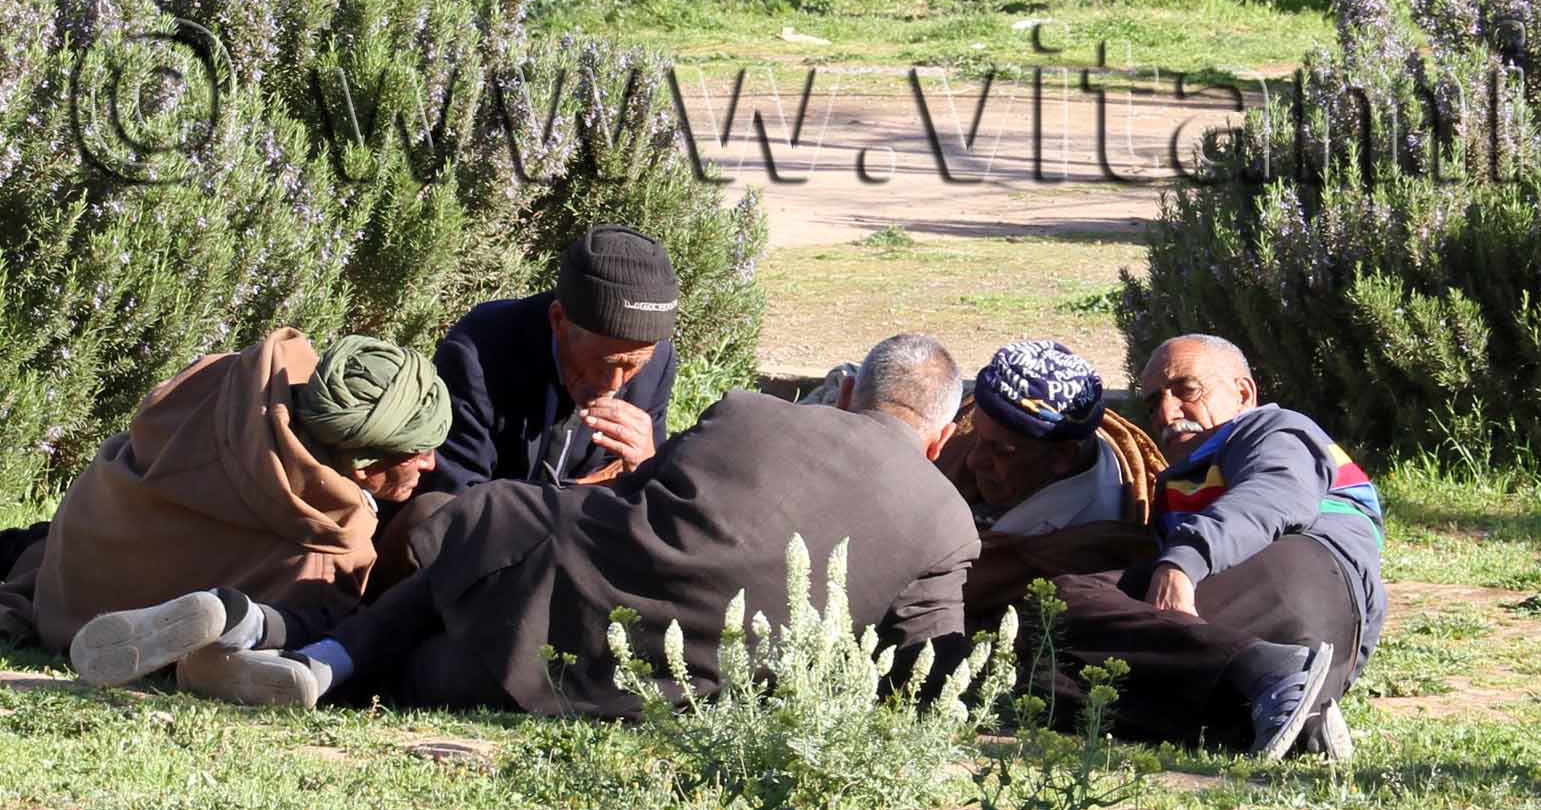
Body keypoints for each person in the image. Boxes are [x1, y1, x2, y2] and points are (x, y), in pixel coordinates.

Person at [170, 352, 980, 718]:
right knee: (424, 669)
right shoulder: (946, 518)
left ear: (850, 391)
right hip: (671, 697)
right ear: (941, 437)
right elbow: (927, 667)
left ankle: (293, 641)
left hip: (544, 603)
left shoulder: (749, 411)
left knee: (486, 519)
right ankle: (309, 655)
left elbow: (635, 501)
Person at [0, 332, 449, 688]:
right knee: (329, 623)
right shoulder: (328, 542)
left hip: (67, 586)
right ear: (363, 465)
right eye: (418, 453)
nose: (431, 464)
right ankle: (232, 625)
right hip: (131, 612)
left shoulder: (212, 392)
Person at [1033, 334, 1386, 762]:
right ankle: (1290, 711)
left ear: (1243, 393)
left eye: (1186, 390)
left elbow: (1273, 497)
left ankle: (1274, 677)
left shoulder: (1275, 429)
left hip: (1305, 581)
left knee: (1062, 610)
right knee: (1048, 653)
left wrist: (1181, 563)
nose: (1166, 413)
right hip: (1266, 640)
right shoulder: (1175, 485)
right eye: (1153, 403)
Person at [927, 340, 1167, 630]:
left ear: (1062, 457)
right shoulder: (988, 434)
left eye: (1000, 451)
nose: (973, 460)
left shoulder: (1087, 548)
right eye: (977, 435)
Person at [426, 225, 678, 494]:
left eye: (634, 365)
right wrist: (581, 493)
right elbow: (455, 498)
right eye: (606, 362)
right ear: (558, 320)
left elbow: (644, 491)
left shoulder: (657, 364)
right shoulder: (480, 354)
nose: (613, 384)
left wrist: (648, 466)